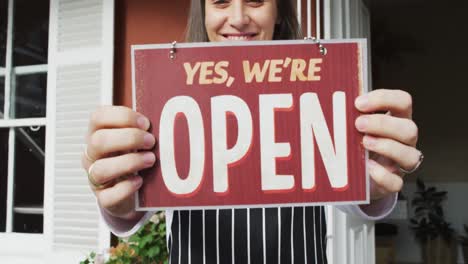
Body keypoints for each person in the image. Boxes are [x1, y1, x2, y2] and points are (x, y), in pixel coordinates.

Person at [81, 0, 422, 263]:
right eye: (220, 1)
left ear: (279, 12)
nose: (239, 17)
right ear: (203, 11)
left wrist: (373, 183)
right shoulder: (166, 92)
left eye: (257, 0)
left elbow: (357, 194)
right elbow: (134, 209)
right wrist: (120, 199)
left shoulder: (318, 90)